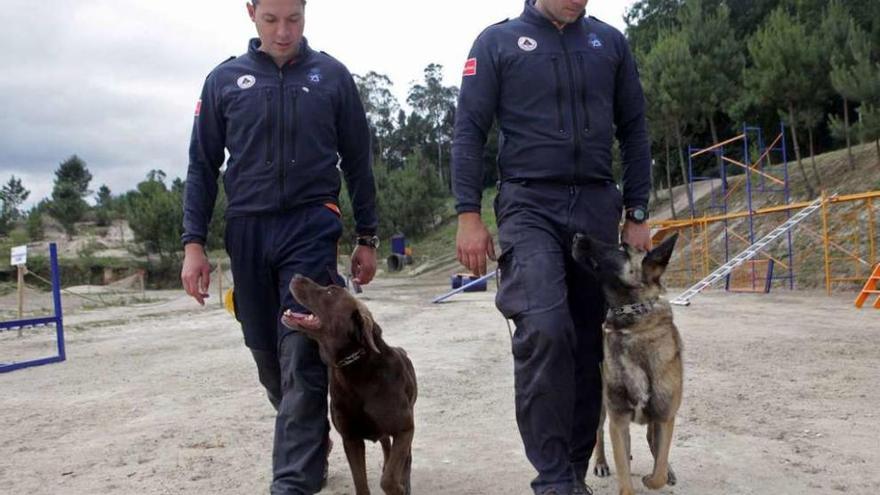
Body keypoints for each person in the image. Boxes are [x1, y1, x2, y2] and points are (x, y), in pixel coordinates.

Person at [452, 1, 652, 494]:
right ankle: (553, 478)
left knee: (588, 343)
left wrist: (639, 211)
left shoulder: (609, 43)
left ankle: (573, 469)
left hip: (596, 205)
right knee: (544, 327)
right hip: (528, 203)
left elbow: (634, 128)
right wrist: (468, 213)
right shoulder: (497, 43)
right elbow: (470, 130)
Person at [179, 0, 379, 493]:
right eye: (272, 20)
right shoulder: (224, 81)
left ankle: (292, 481)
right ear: (251, 11)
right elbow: (202, 166)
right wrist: (193, 244)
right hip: (247, 230)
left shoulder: (331, 77)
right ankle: (308, 435)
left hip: (311, 225)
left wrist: (367, 236)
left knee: (302, 353)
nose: (284, 31)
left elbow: (358, 162)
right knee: (269, 357)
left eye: (294, 19)